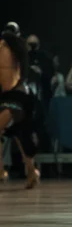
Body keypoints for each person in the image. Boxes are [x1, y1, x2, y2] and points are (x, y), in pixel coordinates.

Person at [0, 32, 41, 189]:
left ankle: (2, 171)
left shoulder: (13, 56)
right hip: (8, 98)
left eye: (3, 44)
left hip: (18, 98)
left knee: (18, 133)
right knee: (19, 134)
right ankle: (31, 172)